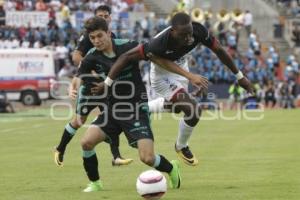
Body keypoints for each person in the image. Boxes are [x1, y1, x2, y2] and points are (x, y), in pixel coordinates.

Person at [103, 12, 254, 166]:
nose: (189, 39)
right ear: (173, 31)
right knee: (193, 110)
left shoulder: (198, 31)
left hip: (181, 68)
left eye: (190, 33)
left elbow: (219, 50)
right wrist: (107, 83)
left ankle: (145, 108)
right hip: (162, 77)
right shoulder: (158, 43)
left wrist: (240, 76)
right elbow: (125, 57)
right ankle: (181, 146)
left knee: (176, 108)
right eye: (184, 35)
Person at [77, 16, 181, 192]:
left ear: (109, 33)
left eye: (99, 36)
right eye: (92, 38)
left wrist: (184, 76)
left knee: (147, 158)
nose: (96, 41)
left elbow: (156, 58)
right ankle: (95, 183)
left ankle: (171, 169)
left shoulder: (129, 46)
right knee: (86, 142)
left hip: (135, 108)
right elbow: (81, 79)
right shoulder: (91, 57)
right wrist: (81, 92)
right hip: (112, 110)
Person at [54, 5, 133, 167]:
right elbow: (76, 57)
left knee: (111, 117)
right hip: (89, 88)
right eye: (100, 16)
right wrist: (90, 71)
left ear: (110, 18)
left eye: (105, 16)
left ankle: (116, 156)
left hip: (105, 87)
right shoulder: (87, 37)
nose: (103, 18)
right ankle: (60, 148)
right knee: (78, 121)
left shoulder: (113, 37)